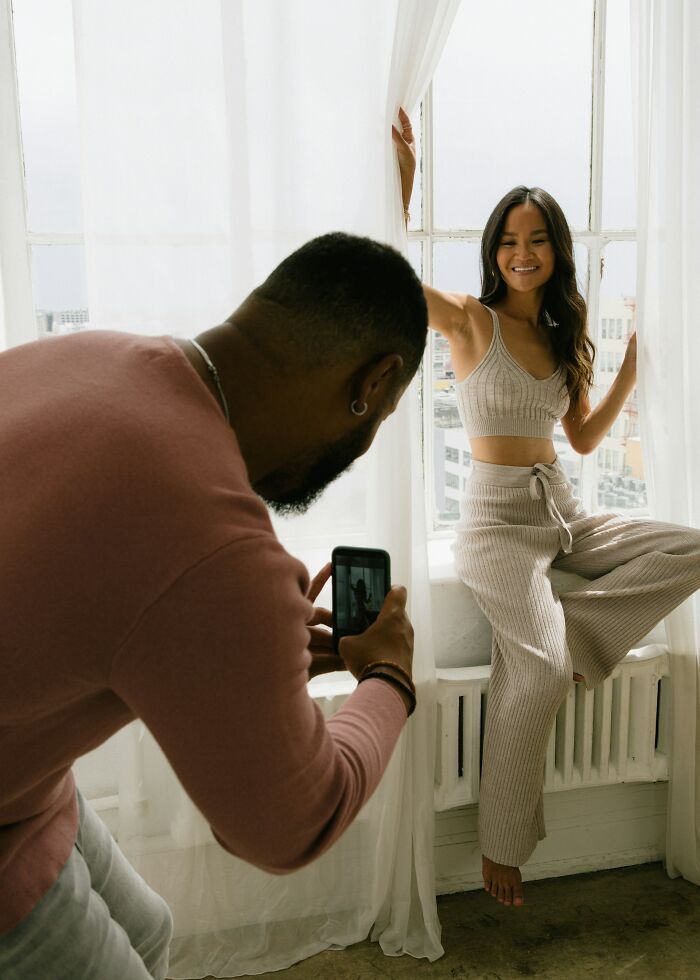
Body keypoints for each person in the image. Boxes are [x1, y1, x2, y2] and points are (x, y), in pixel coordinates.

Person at [0, 232, 427, 979]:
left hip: (23, 776)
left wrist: (253, 643)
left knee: (150, 930)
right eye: (379, 420)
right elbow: (289, 825)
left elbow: (93, 582)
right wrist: (388, 678)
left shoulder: (85, 354)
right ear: (374, 382)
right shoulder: (217, 549)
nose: (362, 445)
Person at [393, 108, 700, 910]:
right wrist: (403, 186)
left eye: (536, 241)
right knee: (533, 670)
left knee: (692, 547)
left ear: (556, 252)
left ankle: (575, 636)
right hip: (496, 530)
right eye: (508, 241)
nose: (522, 255)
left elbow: (587, 439)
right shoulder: (470, 321)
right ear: (494, 252)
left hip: (563, 514)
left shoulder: (565, 337)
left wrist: (630, 368)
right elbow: (387, 284)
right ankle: (502, 848)